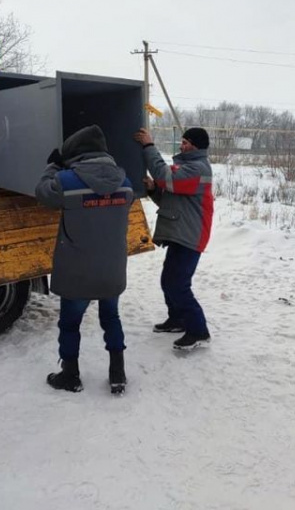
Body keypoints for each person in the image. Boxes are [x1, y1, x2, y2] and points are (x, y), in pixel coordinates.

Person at [36, 125, 133, 394]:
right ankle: (118, 373)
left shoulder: (66, 181)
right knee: (111, 317)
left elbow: (43, 192)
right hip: (112, 269)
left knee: (70, 323)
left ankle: (70, 375)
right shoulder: (125, 183)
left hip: (78, 271)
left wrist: (54, 166)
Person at [133, 126, 214, 350]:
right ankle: (177, 319)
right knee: (168, 281)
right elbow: (172, 200)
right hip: (182, 233)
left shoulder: (197, 169)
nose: (182, 145)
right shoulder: (189, 168)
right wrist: (152, 190)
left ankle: (199, 331)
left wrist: (148, 146)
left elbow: (163, 175)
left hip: (191, 236)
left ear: (196, 147)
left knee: (178, 285)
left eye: (186, 142)